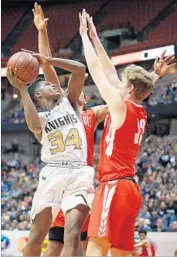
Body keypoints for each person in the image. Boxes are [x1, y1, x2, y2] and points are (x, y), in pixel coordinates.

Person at [79, 9, 176, 256]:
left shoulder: (120, 108)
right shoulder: (138, 110)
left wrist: (83, 36)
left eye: (122, 83)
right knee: (122, 252)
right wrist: (96, 38)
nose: (117, 84)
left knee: (95, 249)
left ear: (130, 88)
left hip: (113, 186)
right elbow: (112, 72)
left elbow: (98, 72)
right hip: (131, 191)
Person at [6, 27, 95, 257]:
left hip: (79, 174)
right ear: (38, 95)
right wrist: (23, 90)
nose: (54, 84)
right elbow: (34, 126)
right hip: (53, 174)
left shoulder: (71, 102)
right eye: (48, 84)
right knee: (36, 236)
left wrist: (47, 59)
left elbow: (80, 69)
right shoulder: (41, 118)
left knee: (73, 232)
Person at [30, 4, 108, 256]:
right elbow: (47, 66)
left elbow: (120, 102)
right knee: (55, 244)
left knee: (80, 244)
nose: (81, 92)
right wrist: (42, 32)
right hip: (60, 177)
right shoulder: (64, 108)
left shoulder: (92, 114)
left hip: (80, 181)